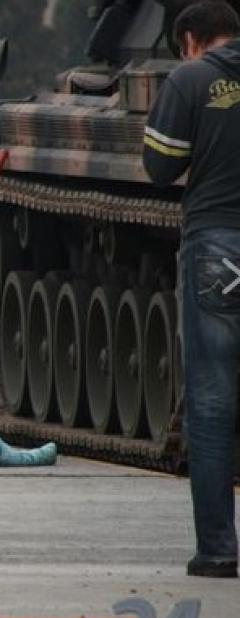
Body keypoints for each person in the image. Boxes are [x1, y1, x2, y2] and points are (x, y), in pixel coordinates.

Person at [143, 0, 240, 579]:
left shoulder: (192, 78)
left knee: (212, 400)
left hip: (219, 248)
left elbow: (160, 166)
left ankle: (219, 550)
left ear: (189, 39)